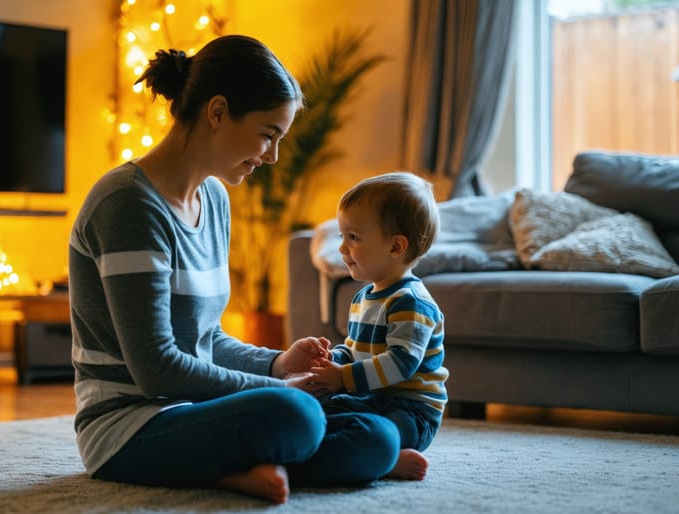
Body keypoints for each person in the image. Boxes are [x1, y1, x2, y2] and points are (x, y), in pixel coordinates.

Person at [68, 35, 401, 504]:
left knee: (377, 433)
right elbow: (157, 371)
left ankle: (245, 462)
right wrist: (281, 385)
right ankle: (237, 466)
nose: (273, 156)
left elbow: (205, 340)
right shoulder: (128, 204)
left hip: (199, 413)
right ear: (218, 111)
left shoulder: (216, 201)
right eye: (268, 134)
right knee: (295, 413)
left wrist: (276, 362)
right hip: (129, 426)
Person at [310, 171, 448, 481]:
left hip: (411, 412)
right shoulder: (364, 296)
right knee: (317, 410)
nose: (343, 247)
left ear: (396, 247)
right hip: (371, 396)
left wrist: (344, 378)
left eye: (354, 238)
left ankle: (383, 459)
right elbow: (355, 349)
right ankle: (376, 456)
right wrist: (332, 360)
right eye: (342, 236)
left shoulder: (411, 302)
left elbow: (401, 363)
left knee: (365, 428)